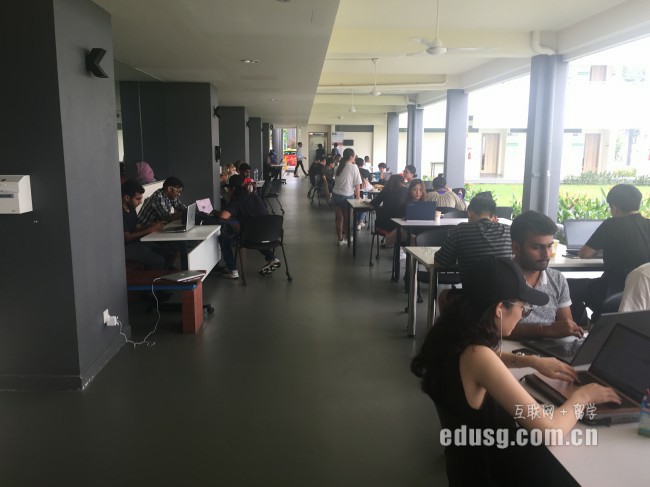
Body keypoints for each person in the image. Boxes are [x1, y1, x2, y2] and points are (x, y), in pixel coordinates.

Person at [411, 256, 620, 486]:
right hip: (495, 476)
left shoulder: (453, 335)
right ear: (500, 309)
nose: (522, 314)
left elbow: (484, 363)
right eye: (524, 308)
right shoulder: (478, 356)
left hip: (467, 468)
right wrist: (583, 397)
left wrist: (530, 361)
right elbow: (550, 432)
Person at [569, 183, 650, 321]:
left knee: (567, 286)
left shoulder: (611, 224)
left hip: (611, 289)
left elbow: (584, 254)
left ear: (614, 208)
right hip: (643, 292)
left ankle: (578, 324)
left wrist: (602, 250)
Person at [508, 211, 584, 339]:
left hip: (549, 347)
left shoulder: (557, 279)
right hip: (508, 349)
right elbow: (494, 328)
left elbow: (567, 326)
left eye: (549, 246)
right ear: (516, 248)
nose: (546, 254)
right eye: (537, 247)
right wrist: (544, 330)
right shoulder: (499, 278)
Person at [217, 174, 281, 279]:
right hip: (268, 235)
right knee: (256, 234)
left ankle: (232, 269)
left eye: (229, 189)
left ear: (233, 189)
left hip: (249, 238)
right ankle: (272, 258)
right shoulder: (254, 196)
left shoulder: (236, 200)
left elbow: (223, 217)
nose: (228, 191)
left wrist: (216, 212)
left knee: (223, 237)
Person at [434, 195, 512, 279]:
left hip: (473, 287)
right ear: (493, 216)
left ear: (469, 213)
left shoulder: (460, 230)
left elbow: (439, 263)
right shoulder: (509, 231)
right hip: (507, 286)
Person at [121, 180, 166, 269]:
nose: (141, 202)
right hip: (125, 248)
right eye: (138, 199)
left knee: (166, 251)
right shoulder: (120, 213)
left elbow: (137, 228)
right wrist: (150, 230)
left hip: (136, 243)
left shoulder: (131, 208)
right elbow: (127, 237)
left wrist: (149, 226)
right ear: (127, 197)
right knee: (158, 261)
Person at [331, 148, 362, 245]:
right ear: (351, 156)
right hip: (347, 196)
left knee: (339, 219)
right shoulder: (354, 167)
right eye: (354, 155)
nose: (355, 157)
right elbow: (357, 184)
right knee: (348, 219)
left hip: (336, 195)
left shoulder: (337, 167)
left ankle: (340, 240)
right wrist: (358, 198)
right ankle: (348, 238)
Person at [369, 174, 408, 246]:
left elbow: (374, 203)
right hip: (400, 224)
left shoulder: (386, 189)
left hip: (384, 224)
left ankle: (390, 241)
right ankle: (398, 246)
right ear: (402, 182)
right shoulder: (406, 191)